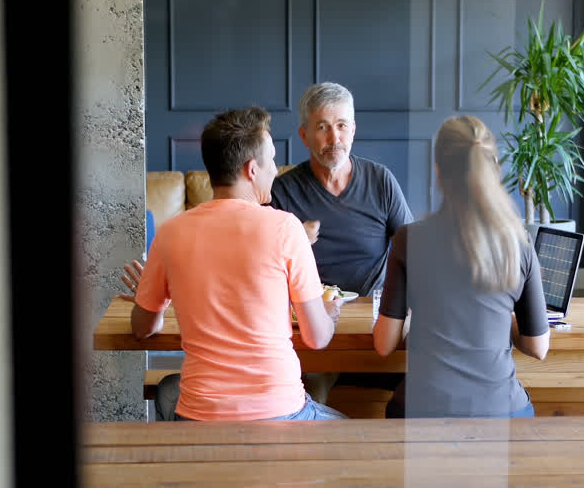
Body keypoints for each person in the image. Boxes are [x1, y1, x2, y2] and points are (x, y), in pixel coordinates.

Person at [120, 105, 346, 424]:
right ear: (252, 169)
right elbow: (317, 338)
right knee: (357, 435)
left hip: (199, 418)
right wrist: (329, 314)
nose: (275, 170)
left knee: (169, 391)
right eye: (271, 161)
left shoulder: (169, 233)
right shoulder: (287, 228)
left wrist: (148, 296)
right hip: (281, 414)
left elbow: (143, 329)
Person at [373, 115, 550, 419]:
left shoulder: (408, 239)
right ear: (493, 169)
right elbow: (538, 346)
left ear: (438, 173)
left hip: (421, 412)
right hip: (501, 413)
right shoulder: (519, 244)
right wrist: (495, 318)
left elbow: (384, 343)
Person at [270, 82, 415, 403]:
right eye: (322, 127)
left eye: (342, 126)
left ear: (353, 130)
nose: (334, 139)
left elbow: (413, 252)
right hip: (309, 322)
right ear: (305, 134)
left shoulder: (380, 180)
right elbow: (257, 267)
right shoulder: (282, 191)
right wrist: (294, 242)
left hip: (374, 320)